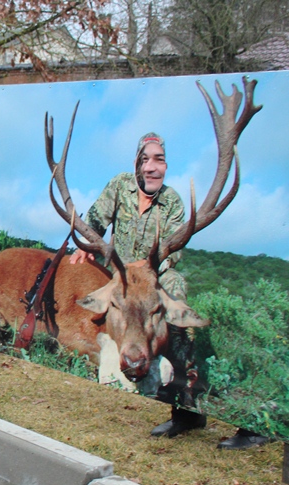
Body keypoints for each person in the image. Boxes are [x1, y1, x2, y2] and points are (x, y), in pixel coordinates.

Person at [70, 133, 268, 450]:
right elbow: (94, 221)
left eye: (158, 159)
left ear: (165, 165)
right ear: (136, 163)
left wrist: (143, 266)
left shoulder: (173, 200)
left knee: (173, 283)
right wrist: (84, 246)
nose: (151, 166)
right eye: (145, 159)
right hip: (120, 280)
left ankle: (184, 386)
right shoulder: (120, 185)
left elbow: (174, 250)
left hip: (153, 277)